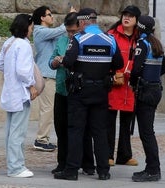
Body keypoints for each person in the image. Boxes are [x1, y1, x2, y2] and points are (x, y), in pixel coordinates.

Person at [54, 8, 123, 181]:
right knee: (100, 131)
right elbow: (119, 63)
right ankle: (103, 171)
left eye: (78, 23)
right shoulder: (110, 39)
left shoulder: (79, 39)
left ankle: (71, 170)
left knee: (76, 130)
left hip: (80, 91)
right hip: (101, 91)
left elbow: (69, 62)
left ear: (82, 22)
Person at [49, 12, 95, 175]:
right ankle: (63, 163)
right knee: (61, 128)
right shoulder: (62, 40)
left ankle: (87, 163)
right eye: (68, 31)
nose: (70, 35)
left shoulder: (85, 41)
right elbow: (52, 60)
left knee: (82, 129)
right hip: (62, 89)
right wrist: (55, 61)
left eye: (73, 31)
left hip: (79, 91)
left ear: (80, 27)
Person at [0, 14, 37, 178]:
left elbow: (0, 64)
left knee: (11, 131)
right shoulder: (24, 45)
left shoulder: (9, 42)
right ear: (26, 27)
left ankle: (13, 164)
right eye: (31, 27)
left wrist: (10, 73)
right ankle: (16, 167)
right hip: (21, 93)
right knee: (18, 132)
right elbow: (23, 70)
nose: (32, 30)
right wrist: (31, 85)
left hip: (9, 91)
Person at [130, 15, 165, 182]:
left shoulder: (142, 44)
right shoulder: (156, 44)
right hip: (155, 89)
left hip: (144, 91)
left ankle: (153, 169)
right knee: (148, 130)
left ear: (139, 28)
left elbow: (136, 69)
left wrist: (133, 82)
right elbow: (164, 68)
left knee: (146, 132)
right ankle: (152, 167)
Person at [32, 6, 72, 151]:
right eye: (49, 14)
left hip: (53, 75)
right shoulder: (39, 31)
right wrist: (69, 17)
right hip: (46, 75)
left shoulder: (48, 33)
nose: (52, 17)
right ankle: (41, 139)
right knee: (47, 108)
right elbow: (61, 30)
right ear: (42, 18)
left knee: (51, 108)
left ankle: (43, 138)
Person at [106, 5, 140, 167]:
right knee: (109, 122)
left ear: (136, 20)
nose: (126, 18)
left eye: (130, 16)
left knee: (127, 124)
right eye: (124, 15)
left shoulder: (140, 38)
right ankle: (107, 154)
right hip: (114, 84)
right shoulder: (111, 35)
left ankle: (124, 155)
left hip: (131, 87)